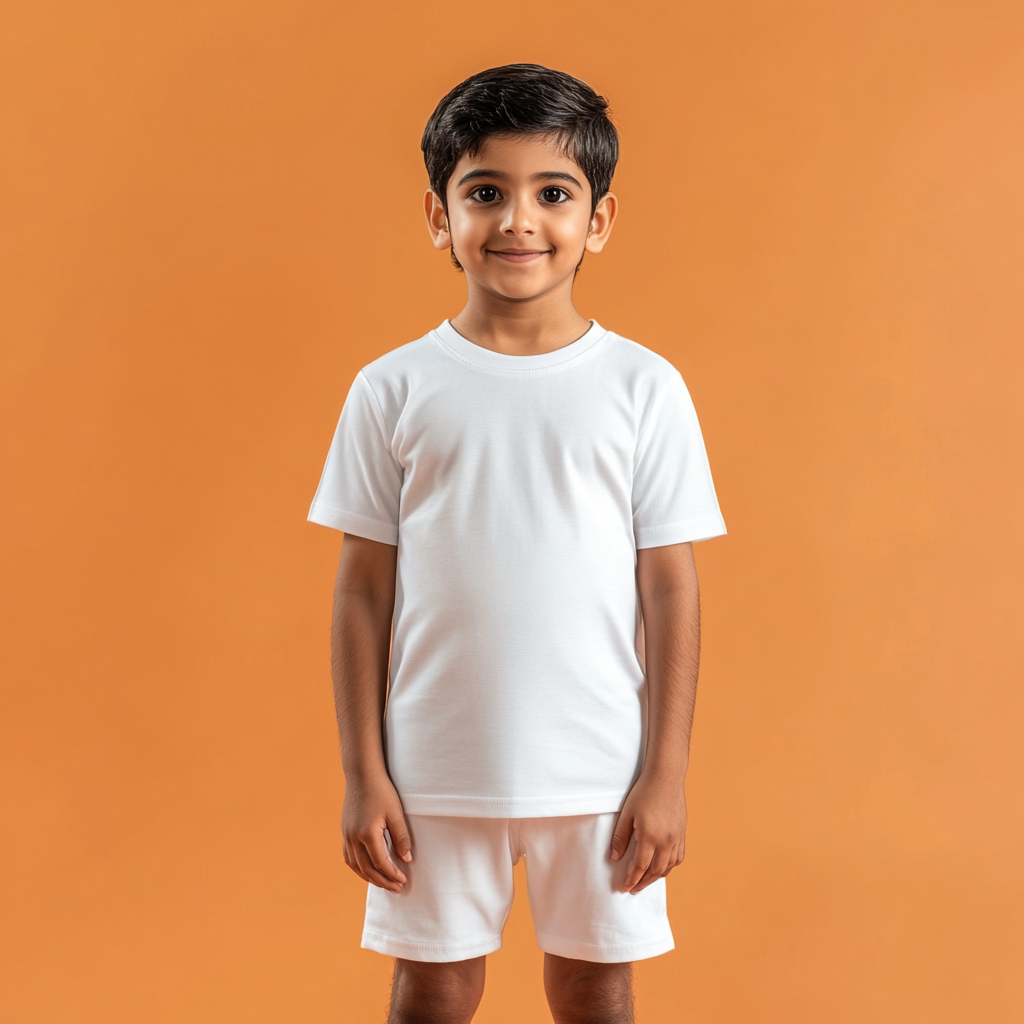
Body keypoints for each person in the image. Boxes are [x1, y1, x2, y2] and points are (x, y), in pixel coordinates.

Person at [308, 63, 726, 1024]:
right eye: (485, 192)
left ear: (601, 220)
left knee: (595, 989)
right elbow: (363, 590)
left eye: (554, 194)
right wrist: (364, 773)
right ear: (437, 214)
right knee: (433, 990)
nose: (518, 222)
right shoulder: (393, 389)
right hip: (434, 764)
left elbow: (669, 586)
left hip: (601, 765)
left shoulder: (642, 388)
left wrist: (666, 775)